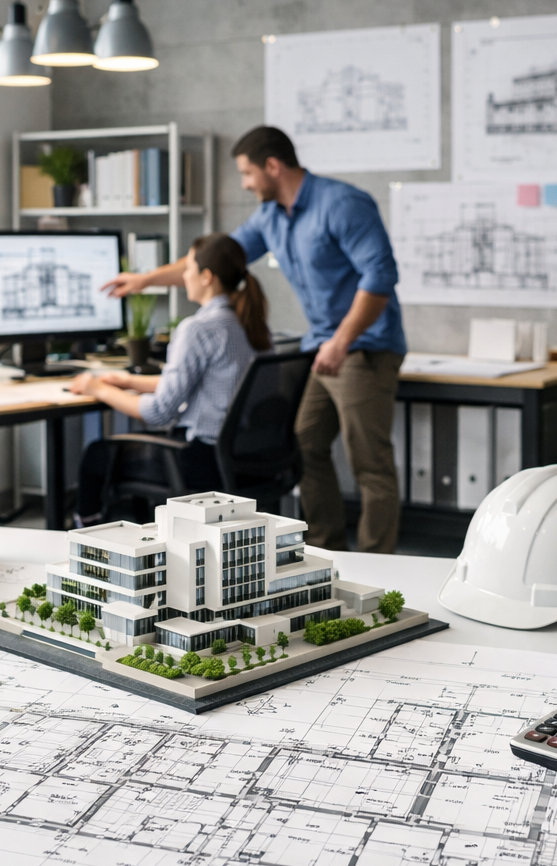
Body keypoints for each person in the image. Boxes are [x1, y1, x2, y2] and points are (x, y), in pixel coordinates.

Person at [103, 126, 405, 553]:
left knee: (369, 463)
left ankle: (378, 559)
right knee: (303, 444)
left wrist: (341, 341)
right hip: (322, 345)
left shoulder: (342, 204)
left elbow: (380, 277)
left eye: (247, 173)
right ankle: (326, 547)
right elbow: (213, 261)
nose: (244, 184)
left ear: (272, 166)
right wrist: (145, 280)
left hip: (364, 346)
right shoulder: (271, 216)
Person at [69, 233, 272, 525]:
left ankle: (88, 543)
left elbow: (159, 412)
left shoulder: (198, 328)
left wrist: (96, 388)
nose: (183, 276)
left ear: (206, 277)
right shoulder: (251, 324)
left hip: (201, 462)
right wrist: (129, 382)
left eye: (188, 268)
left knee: (98, 454)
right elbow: (207, 384)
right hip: (245, 457)